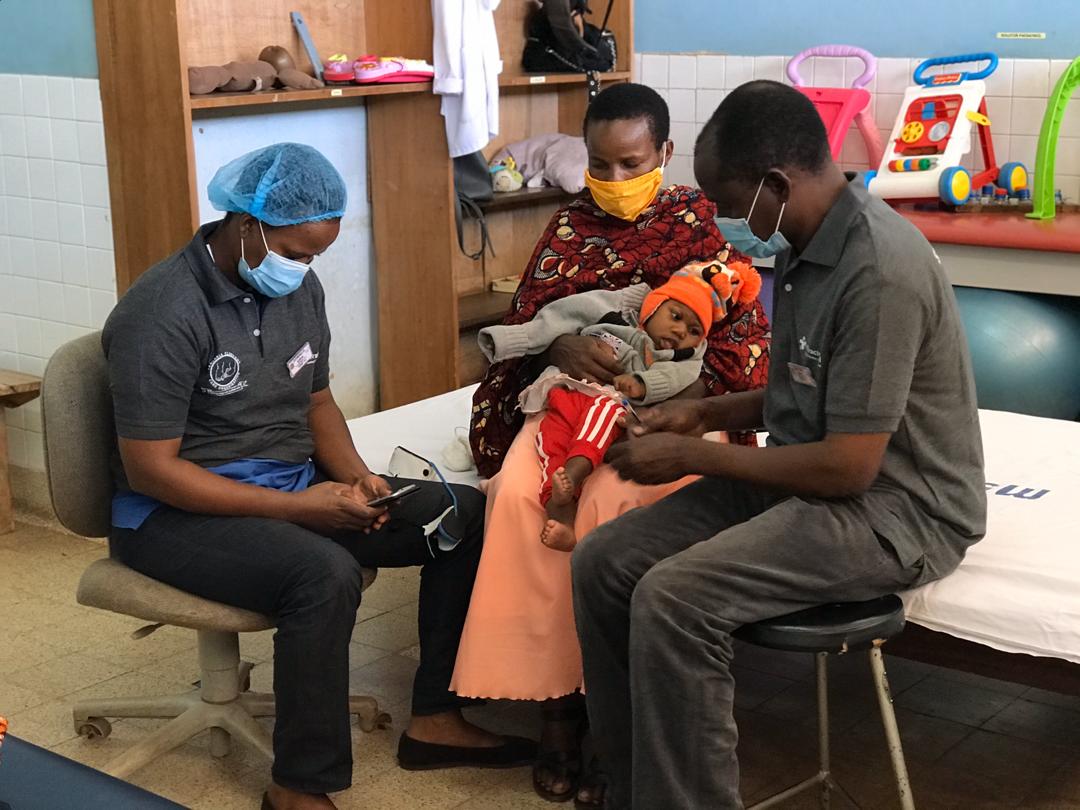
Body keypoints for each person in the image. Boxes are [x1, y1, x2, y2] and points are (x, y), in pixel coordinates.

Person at [571, 80, 988, 809]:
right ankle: (634, 788)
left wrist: (691, 455)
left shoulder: (878, 271)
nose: (724, 221)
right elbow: (803, 390)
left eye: (729, 203)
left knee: (676, 597)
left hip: (898, 510)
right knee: (604, 561)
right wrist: (698, 414)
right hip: (809, 477)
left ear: (774, 184)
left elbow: (849, 468)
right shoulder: (804, 245)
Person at [102, 143, 533, 810]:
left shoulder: (298, 287)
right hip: (170, 516)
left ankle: (436, 718)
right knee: (322, 574)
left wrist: (360, 480)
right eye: (295, 253)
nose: (303, 270)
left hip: (288, 485)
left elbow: (317, 402)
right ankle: (298, 788)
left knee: (466, 514)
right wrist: (302, 508)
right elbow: (153, 471)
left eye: (314, 257)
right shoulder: (163, 311)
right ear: (247, 223)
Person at [453, 83, 771, 805]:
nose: (615, 180)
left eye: (632, 164)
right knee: (519, 495)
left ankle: (611, 711)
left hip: (675, 408)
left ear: (665, 152)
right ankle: (555, 711)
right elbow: (527, 326)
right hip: (574, 403)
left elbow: (747, 348)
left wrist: (674, 400)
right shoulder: (568, 227)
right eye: (601, 165)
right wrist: (559, 347)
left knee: (614, 501)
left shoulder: (703, 226)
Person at [477, 260, 760, 551]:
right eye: (675, 316)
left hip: (635, 411)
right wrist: (526, 341)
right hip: (565, 392)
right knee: (534, 466)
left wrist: (642, 384)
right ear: (653, 304)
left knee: (604, 462)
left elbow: (681, 376)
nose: (679, 332)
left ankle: (575, 472)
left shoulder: (681, 356)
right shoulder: (618, 309)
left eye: (693, 331)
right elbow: (565, 314)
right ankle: (560, 508)